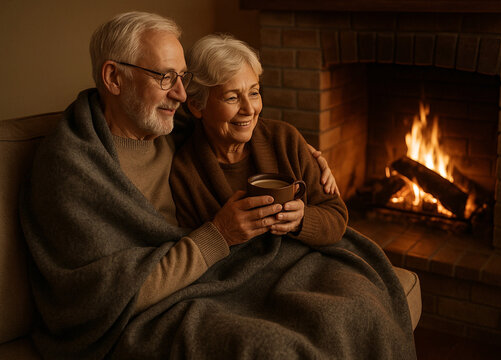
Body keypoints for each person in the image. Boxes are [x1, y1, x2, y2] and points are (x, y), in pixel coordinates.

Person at [18, 11, 345, 360]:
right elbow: (101, 295)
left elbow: (230, 119)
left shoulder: (173, 125)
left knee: (337, 309)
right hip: (136, 315)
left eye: (182, 76)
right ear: (114, 77)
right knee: (266, 345)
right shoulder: (70, 166)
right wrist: (219, 235)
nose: (179, 93)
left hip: (205, 282)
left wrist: (310, 156)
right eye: (165, 77)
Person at [170, 34, 348, 250]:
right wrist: (224, 232)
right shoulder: (184, 170)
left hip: (302, 256)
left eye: (254, 93)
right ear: (197, 106)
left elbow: (336, 215)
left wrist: (303, 219)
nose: (249, 109)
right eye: (232, 98)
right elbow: (194, 248)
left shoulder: (285, 139)